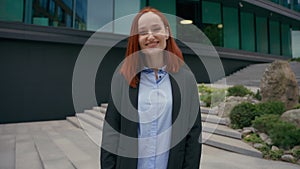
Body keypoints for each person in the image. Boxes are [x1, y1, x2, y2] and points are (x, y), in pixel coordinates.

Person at [101, 7, 202, 169]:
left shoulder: (186, 79)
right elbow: (111, 133)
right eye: (143, 32)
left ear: (167, 33)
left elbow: (193, 134)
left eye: (156, 29)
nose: (150, 36)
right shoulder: (123, 79)